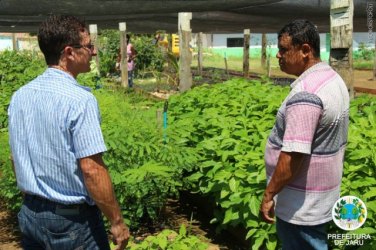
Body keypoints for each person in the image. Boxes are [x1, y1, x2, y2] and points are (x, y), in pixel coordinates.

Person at [8, 15, 130, 250]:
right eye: (89, 46)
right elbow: (92, 169)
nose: (93, 52)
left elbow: (16, 158)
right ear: (69, 52)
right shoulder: (80, 100)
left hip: (30, 214)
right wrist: (117, 221)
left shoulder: (20, 95)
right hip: (71, 223)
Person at [259, 20, 349, 250]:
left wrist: (269, 194)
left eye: (283, 49)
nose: (278, 55)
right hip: (321, 194)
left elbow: (292, 155)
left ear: (305, 50)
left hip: (302, 205)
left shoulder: (306, 94)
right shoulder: (331, 77)